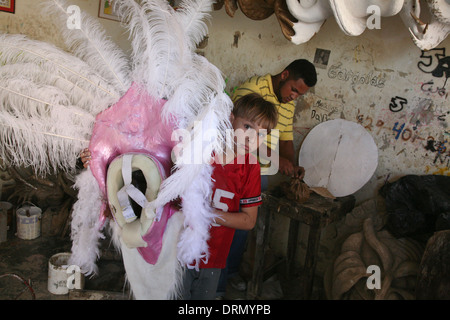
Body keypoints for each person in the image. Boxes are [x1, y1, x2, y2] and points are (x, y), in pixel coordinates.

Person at [219, 59, 317, 296]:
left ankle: (228, 274)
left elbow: (285, 139)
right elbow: (237, 136)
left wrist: (291, 166)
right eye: (294, 89)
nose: (294, 97)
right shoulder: (251, 90)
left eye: (299, 94)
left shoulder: (288, 102)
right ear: (284, 75)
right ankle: (215, 278)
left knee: (243, 226)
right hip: (234, 168)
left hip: (259, 172)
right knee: (224, 227)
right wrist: (276, 160)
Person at [180, 92, 278, 299]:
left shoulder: (251, 169)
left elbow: (249, 220)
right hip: (179, 248)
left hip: (214, 256)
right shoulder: (203, 152)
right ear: (231, 119)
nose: (251, 138)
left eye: (261, 134)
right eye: (248, 127)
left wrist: (208, 215)